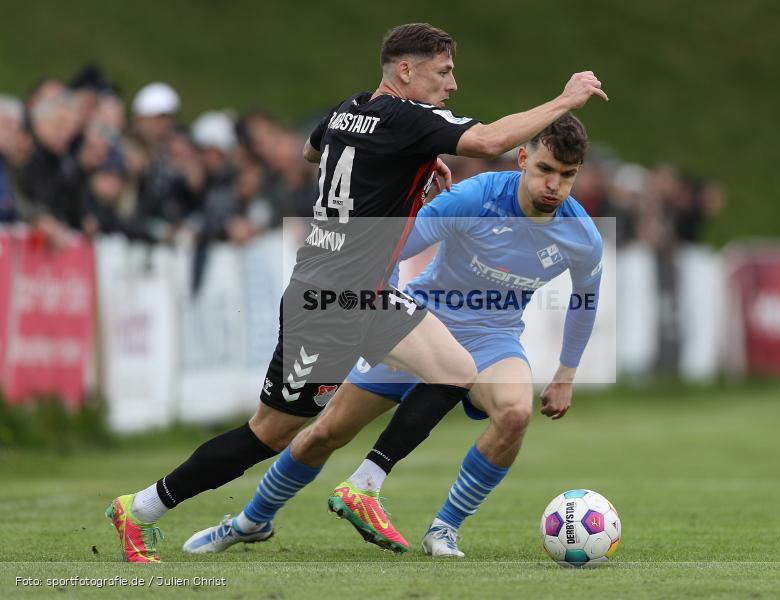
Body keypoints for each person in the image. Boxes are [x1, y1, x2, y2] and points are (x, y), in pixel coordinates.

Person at [107, 22, 607, 562]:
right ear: (406, 71)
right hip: (338, 295)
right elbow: (487, 142)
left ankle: (352, 487)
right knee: (279, 432)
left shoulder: (348, 108)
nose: (452, 85)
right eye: (444, 71)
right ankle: (152, 509)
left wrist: (404, 161)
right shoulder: (408, 118)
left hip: (341, 289)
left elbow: (310, 151)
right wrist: (566, 98)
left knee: (441, 373)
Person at [183, 114, 603, 557]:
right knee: (326, 433)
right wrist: (389, 315)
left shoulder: (582, 237)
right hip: (425, 324)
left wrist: (565, 374)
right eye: (545, 170)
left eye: (567, 175)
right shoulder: (473, 197)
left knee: (516, 413)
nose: (553, 185)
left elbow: (585, 301)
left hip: (492, 339)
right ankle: (252, 520)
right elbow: (390, 248)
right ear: (523, 158)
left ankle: (444, 529)